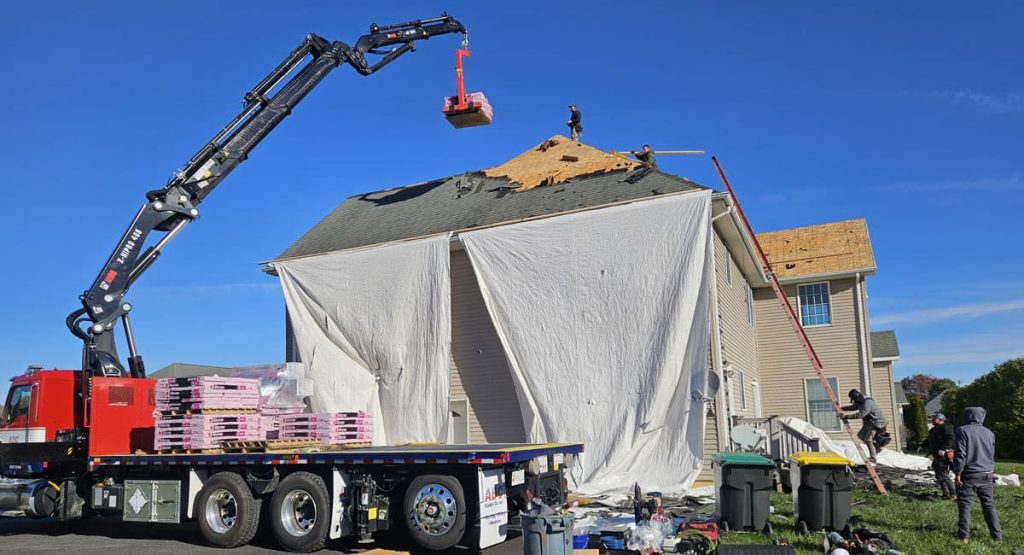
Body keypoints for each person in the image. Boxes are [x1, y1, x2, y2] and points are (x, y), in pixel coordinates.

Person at [952, 407, 1001, 542]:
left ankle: (964, 537)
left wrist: (957, 473)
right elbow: (991, 454)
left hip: (969, 474)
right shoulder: (989, 433)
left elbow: (960, 454)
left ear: (967, 416)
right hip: (987, 474)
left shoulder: (962, 430)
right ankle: (997, 537)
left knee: (965, 506)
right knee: (989, 505)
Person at [841, 389, 887, 463]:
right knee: (861, 435)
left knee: (868, 439)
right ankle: (875, 448)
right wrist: (843, 408)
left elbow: (861, 414)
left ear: (857, 398)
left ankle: (873, 457)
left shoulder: (868, 402)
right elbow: (853, 407)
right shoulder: (860, 402)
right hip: (869, 423)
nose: (854, 402)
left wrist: (846, 416)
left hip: (877, 423)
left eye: (854, 400)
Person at [926, 412, 956, 499]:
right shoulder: (933, 430)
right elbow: (929, 440)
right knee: (938, 475)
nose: (932, 420)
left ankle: (953, 494)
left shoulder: (946, 428)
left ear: (941, 419)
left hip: (944, 455)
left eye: (934, 418)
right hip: (936, 455)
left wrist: (944, 449)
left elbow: (951, 439)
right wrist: (922, 446)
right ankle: (945, 493)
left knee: (944, 474)